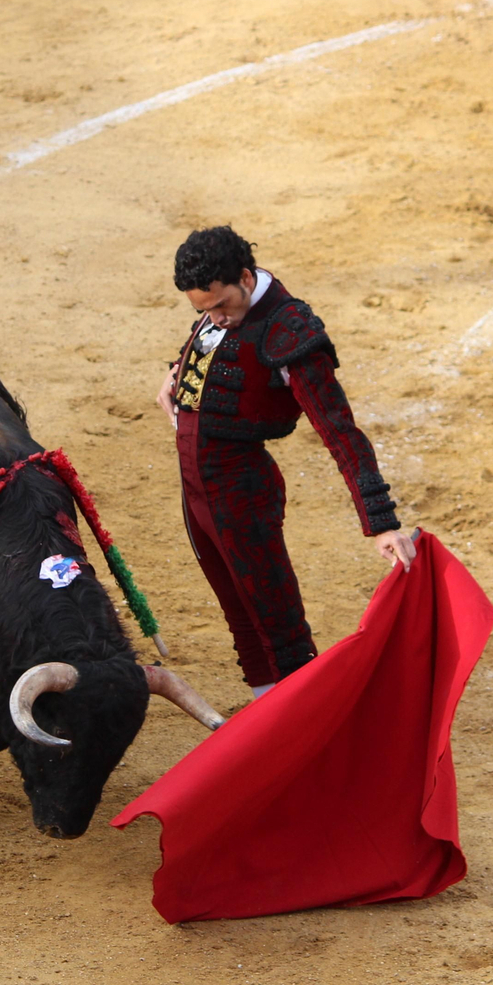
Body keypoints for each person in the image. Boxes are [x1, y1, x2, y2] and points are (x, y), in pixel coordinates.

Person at [155, 226, 417, 698]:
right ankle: (267, 717)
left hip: (241, 492)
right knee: (240, 615)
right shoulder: (225, 308)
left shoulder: (288, 329)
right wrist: (176, 374)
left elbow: (339, 430)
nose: (216, 318)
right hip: (196, 490)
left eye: (221, 305)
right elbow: (212, 350)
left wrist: (381, 523)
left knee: (279, 629)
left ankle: (305, 726)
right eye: (203, 311)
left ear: (245, 278)